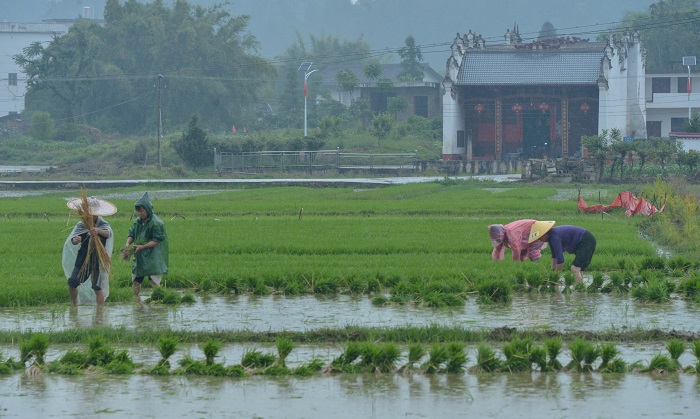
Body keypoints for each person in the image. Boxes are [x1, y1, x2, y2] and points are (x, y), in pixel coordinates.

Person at [62, 197, 117, 306]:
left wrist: (98, 231)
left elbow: (108, 233)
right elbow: (74, 238)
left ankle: (100, 312)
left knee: (97, 287)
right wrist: (76, 240)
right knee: (72, 283)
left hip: (98, 260)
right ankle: (74, 306)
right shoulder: (81, 224)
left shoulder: (103, 224)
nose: (90, 215)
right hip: (83, 259)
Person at [126, 192, 169, 301]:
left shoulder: (156, 223)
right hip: (140, 255)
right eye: (138, 211)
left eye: (142, 211)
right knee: (136, 280)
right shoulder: (138, 222)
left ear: (148, 210)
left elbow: (157, 240)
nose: (140, 213)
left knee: (153, 280)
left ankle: (160, 298)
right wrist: (127, 245)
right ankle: (136, 301)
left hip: (152, 255)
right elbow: (131, 233)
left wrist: (143, 246)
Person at [528, 221, 597, 284]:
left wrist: (556, 277)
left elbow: (560, 260)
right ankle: (580, 290)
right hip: (583, 241)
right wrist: (552, 271)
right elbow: (554, 256)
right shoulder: (551, 237)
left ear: (544, 234)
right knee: (579, 269)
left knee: (575, 269)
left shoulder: (554, 237)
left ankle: (578, 291)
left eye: (539, 237)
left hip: (586, 240)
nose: (539, 240)